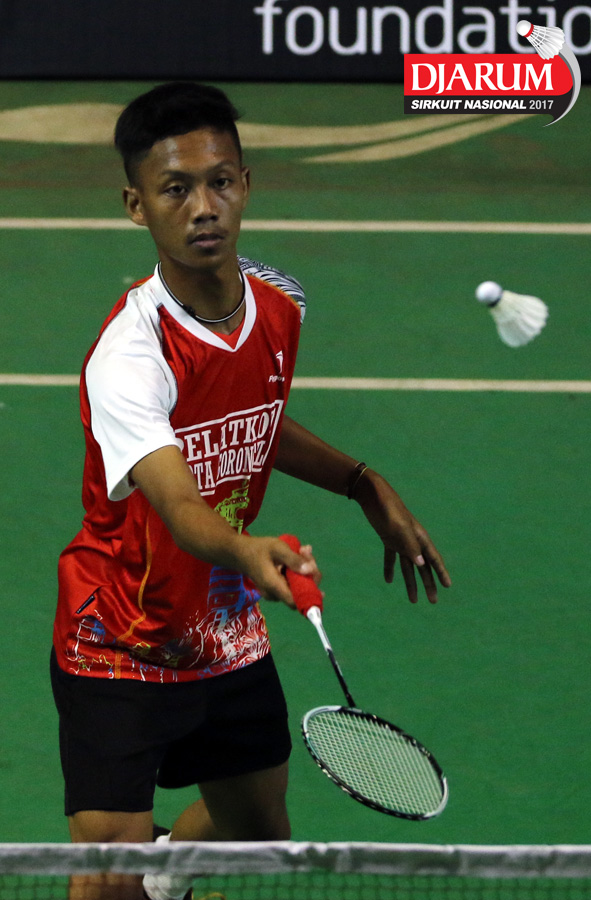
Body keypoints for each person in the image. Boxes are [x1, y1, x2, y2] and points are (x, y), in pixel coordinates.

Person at [50, 81, 451, 900]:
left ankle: (169, 877)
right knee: (106, 884)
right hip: (119, 636)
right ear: (136, 206)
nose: (204, 208)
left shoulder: (278, 304)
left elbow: (254, 413)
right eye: (175, 189)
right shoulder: (129, 357)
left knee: (260, 833)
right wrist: (247, 550)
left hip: (221, 623)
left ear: (245, 184)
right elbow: (178, 505)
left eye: (220, 182)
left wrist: (360, 482)